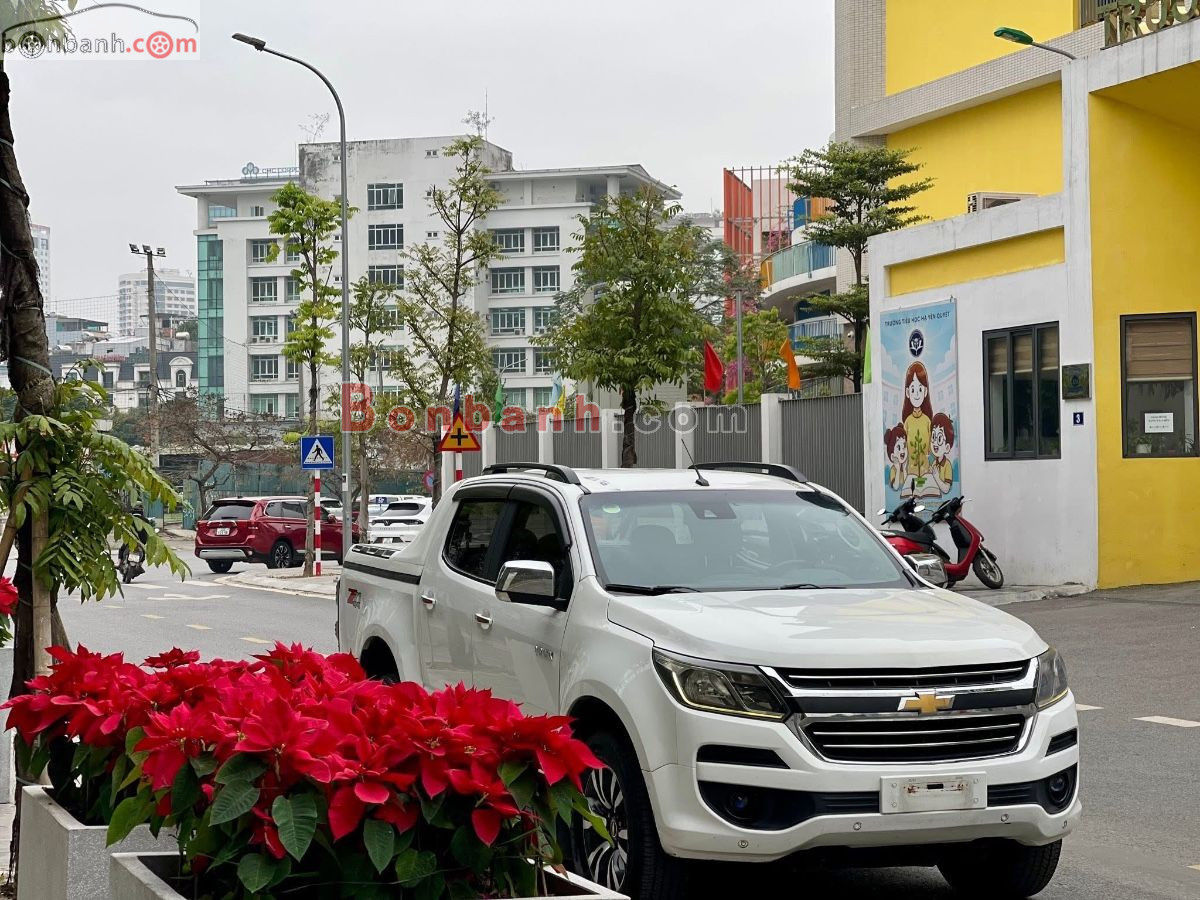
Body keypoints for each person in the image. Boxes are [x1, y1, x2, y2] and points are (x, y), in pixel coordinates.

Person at [901, 362, 933, 480]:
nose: (917, 394)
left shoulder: (927, 421)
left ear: (925, 391)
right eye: (913, 389)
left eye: (920, 389)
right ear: (908, 392)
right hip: (911, 474)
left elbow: (930, 449)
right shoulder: (907, 422)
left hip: (926, 473)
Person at [930, 413, 955, 495]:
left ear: (947, 448)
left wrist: (936, 477)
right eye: (933, 437)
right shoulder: (934, 463)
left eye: (939, 439)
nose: (935, 443)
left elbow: (946, 489)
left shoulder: (947, 465)